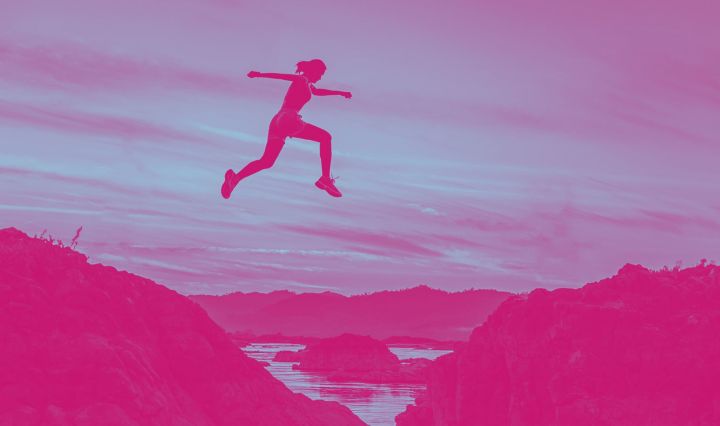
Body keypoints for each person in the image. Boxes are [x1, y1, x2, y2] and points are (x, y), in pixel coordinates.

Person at [221, 59, 352, 199]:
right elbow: (283, 76)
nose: (320, 78)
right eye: (320, 74)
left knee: (266, 161)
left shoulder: (307, 84)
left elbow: (318, 92)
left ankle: (235, 179)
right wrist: (259, 74)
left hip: (277, 121)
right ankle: (325, 179)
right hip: (289, 118)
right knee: (325, 137)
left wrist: (340, 93)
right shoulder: (302, 79)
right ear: (313, 71)